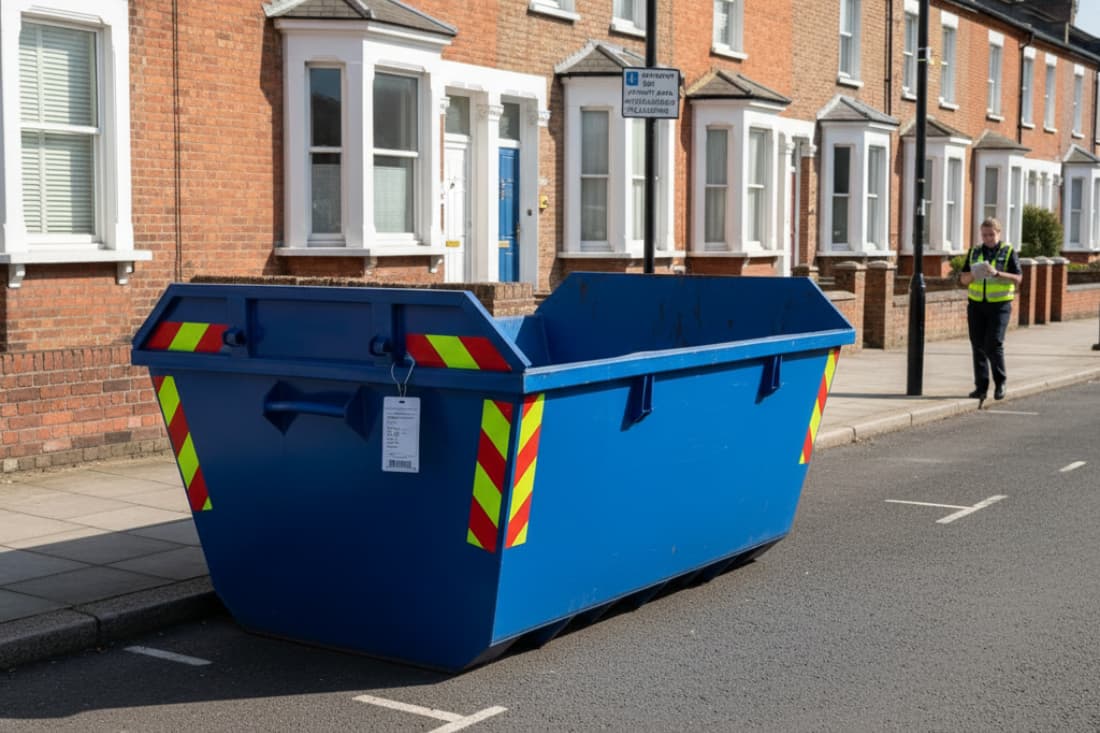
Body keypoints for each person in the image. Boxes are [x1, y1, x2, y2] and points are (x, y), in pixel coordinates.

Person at [959, 217, 1022, 401]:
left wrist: (997, 273)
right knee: (977, 345)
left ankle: (1000, 382)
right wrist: (973, 274)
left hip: (1000, 304)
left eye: (991, 235)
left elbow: (1018, 279)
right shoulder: (975, 252)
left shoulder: (1008, 251)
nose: (987, 238)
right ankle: (981, 387)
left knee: (993, 343)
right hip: (977, 304)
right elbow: (962, 279)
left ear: (998, 234)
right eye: (984, 235)